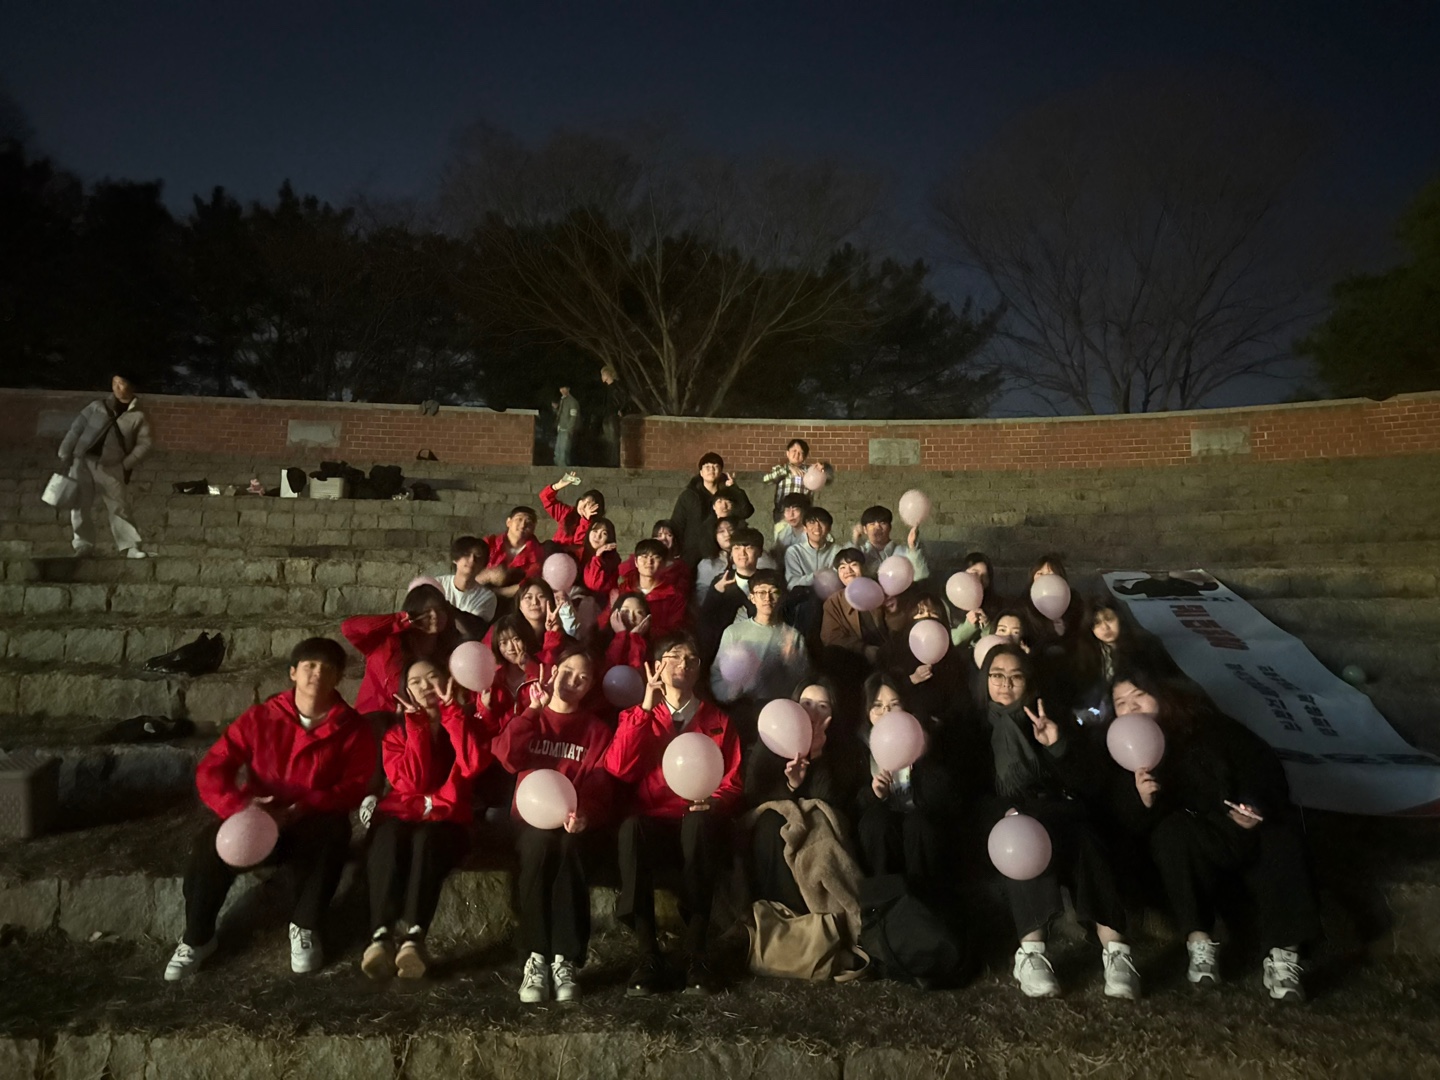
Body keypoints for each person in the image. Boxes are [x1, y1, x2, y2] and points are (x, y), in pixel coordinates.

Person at [164, 638, 375, 980]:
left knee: (334, 833)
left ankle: (305, 926)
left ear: (338, 678)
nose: (317, 674)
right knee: (208, 844)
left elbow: (355, 784)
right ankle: (197, 938)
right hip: (257, 819)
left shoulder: (352, 728)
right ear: (293, 673)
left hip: (311, 819)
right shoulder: (261, 718)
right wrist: (239, 805)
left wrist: (306, 805)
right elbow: (213, 768)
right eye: (309, 666)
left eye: (327, 669)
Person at [1113, 671, 1320, 1001]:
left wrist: (1252, 805)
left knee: (1282, 839)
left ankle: (1284, 956)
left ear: (1160, 695)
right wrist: (1143, 800)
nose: (1131, 707)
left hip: (1243, 825)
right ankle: (1200, 944)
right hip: (1195, 837)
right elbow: (1126, 822)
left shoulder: (1209, 727)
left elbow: (1262, 769)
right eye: (1120, 703)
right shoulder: (1122, 749)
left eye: (1139, 695)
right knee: (1171, 834)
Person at [975, 644, 1139, 1001]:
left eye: (1016, 676)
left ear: (1028, 682)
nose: (1006, 684)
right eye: (997, 675)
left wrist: (1057, 745)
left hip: (1059, 811)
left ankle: (1116, 952)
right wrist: (1004, 811)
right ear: (985, 679)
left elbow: (1088, 783)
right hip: (1007, 821)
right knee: (1022, 836)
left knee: (1083, 836)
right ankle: (1032, 954)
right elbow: (968, 791)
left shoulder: (1048, 716)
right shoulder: (972, 726)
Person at [606, 633, 744, 996]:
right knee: (631, 829)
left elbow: (732, 780)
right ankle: (648, 954)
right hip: (655, 821)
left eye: (692, 659)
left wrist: (715, 801)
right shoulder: (638, 715)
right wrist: (645, 710)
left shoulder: (717, 720)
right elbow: (618, 767)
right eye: (675, 656)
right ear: (658, 666)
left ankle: (697, 952)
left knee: (700, 824)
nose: (684, 664)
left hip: (697, 820)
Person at [492, 649, 615, 1003]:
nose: (573, 681)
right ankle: (535, 956)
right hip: (530, 821)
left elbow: (599, 783)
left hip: (573, 822)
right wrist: (533, 710)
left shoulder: (596, 730)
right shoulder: (532, 716)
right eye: (568, 671)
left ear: (590, 686)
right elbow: (506, 756)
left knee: (569, 849)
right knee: (539, 847)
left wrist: (586, 813)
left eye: (583, 677)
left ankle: (565, 959)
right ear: (554, 671)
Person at [363, 659, 492, 980]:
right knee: (388, 836)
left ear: (448, 682)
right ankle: (380, 936)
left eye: (432, 678)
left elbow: (472, 765)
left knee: (428, 839)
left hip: (448, 821)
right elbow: (413, 783)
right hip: (403, 814)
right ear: (406, 691)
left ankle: (414, 938)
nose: (425, 687)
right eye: (416, 682)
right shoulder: (396, 735)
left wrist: (452, 715)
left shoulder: (468, 723)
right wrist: (418, 727)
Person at [744, 679, 863, 913]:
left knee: (819, 826)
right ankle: (782, 908)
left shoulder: (843, 748)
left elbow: (831, 803)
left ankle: (819, 909)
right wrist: (791, 785)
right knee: (771, 824)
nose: (812, 712)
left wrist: (817, 754)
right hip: (776, 814)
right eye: (806, 703)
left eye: (822, 706)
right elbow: (753, 794)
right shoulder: (772, 734)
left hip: (817, 816)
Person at [57, 372, 153, 558]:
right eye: (114, 382)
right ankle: (83, 545)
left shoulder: (139, 416)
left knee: (119, 506)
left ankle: (130, 546)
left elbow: (145, 444)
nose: (116, 387)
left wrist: (126, 464)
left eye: (121, 383)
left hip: (111, 465)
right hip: (82, 461)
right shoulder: (96, 406)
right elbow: (76, 428)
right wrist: (65, 451)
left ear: (132, 386)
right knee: (80, 505)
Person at [343, 584, 465, 724]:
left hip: (417, 729)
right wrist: (400, 620)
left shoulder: (450, 653)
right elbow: (349, 627)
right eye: (426, 611)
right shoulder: (387, 644)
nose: (434, 616)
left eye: (440, 609)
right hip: (372, 724)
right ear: (413, 614)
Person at [710, 569, 809, 708]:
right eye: (761, 593)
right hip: (742, 705)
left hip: (778, 707)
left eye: (774, 592)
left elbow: (803, 681)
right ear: (752, 598)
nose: (767, 598)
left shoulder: (793, 636)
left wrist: (792, 661)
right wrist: (732, 692)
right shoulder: (734, 632)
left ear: (782, 597)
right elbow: (717, 675)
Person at [670, 452, 755, 566]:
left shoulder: (728, 493)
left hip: (724, 552)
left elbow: (746, 511)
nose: (711, 470)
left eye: (715, 466)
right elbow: (677, 524)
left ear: (721, 471)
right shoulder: (689, 496)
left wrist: (734, 488)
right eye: (707, 467)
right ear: (701, 472)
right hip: (693, 552)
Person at [696, 526, 765, 659]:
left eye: (748, 548)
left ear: (760, 552)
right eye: (737, 548)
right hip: (723, 649)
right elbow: (706, 619)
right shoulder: (721, 581)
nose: (742, 553)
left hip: (759, 646)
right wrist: (716, 592)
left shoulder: (769, 580)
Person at [606, 539, 688, 639]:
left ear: (664, 564)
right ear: (636, 562)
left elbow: (674, 630)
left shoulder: (674, 596)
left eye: (656, 557)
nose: (649, 562)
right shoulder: (623, 589)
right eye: (644, 557)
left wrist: (644, 632)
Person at [438, 536, 505, 628]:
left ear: (484, 565)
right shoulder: (437, 584)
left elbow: (474, 629)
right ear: (455, 559)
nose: (472, 560)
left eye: (478, 556)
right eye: (466, 554)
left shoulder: (487, 598)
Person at [852, 506, 930, 582]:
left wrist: (912, 547)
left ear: (890, 527)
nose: (878, 527)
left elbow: (921, 577)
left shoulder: (903, 552)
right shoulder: (860, 552)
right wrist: (855, 541)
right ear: (865, 529)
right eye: (872, 524)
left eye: (882, 523)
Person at [484, 508, 544, 601]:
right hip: (478, 591)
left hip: (512, 598)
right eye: (519, 519)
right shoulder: (490, 543)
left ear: (533, 528)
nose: (523, 525)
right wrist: (488, 576)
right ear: (509, 522)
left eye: (528, 522)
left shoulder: (537, 553)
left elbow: (529, 583)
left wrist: (496, 592)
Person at [539, 473, 605, 555]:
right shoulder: (567, 512)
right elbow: (545, 498)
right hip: (555, 553)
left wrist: (585, 520)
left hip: (573, 558)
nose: (583, 506)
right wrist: (558, 486)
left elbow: (578, 543)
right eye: (583, 501)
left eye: (588, 505)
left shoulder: (595, 526)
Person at [948, 553, 996, 649]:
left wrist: (987, 626)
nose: (979, 579)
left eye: (985, 576)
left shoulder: (995, 605)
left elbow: (995, 645)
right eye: (975, 573)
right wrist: (968, 626)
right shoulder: (946, 602)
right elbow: (944, 640)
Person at [762, 437, 811, 522]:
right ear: (787, 453)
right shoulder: (780, 468)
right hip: (782, 511)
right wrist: (788, 469)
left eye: (800, 453)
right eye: (794, 451)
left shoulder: (809, 471)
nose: (797, 455)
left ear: (804, 457)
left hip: (802, 513)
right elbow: (766, 479)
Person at [693, 518, 738, 604]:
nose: (727, 534)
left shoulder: (747, 556)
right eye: (721, 531)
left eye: (730, 529)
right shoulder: (707, 564)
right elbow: (702, 597)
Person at [771, 492, 811, 559]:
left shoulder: (814, 532)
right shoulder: (782, 534)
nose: (791, 514)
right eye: (787, 510)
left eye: (796, 510)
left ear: (804, 511)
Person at [552, 385, 580, 468]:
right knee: (558, 449)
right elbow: (560, 414)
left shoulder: (572, 402)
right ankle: (558, 465)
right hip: (561, 427)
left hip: (566, 428)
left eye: (564, 388)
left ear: (568, 389)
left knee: (564, 449)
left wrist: (569, 429)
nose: (562, 390)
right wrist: (555, 409)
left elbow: (573, 417)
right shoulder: (562, 400)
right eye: (561, 388)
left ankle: (563, 467)